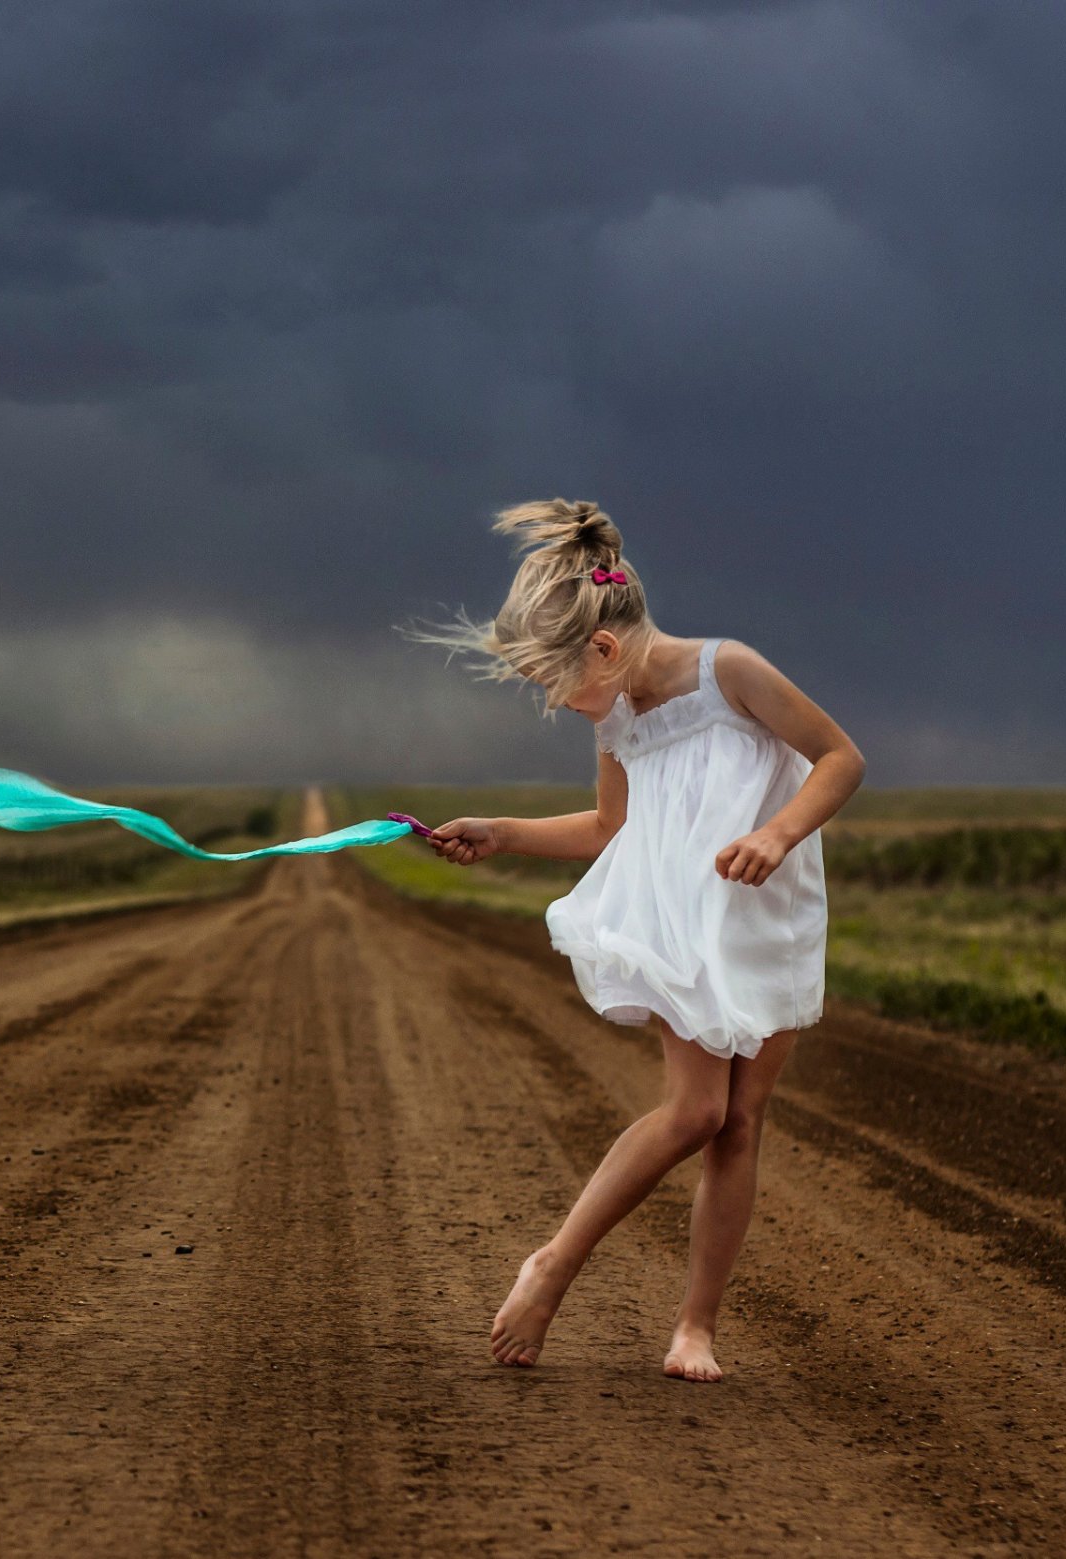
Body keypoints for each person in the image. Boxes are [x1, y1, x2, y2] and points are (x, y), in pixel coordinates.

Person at [405, 498, 865, 1381]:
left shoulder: (731, 672)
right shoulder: (619, 718)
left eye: (561, 688)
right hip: (683, 915)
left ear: (605, 649)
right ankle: (553, 1265)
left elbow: (841, 756)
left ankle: (696, 1326)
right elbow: (612, 826)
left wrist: (777, 834)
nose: (566, 707)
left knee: (741, 1124)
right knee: (698, 1110)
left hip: (768, 909)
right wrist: (502, 831)